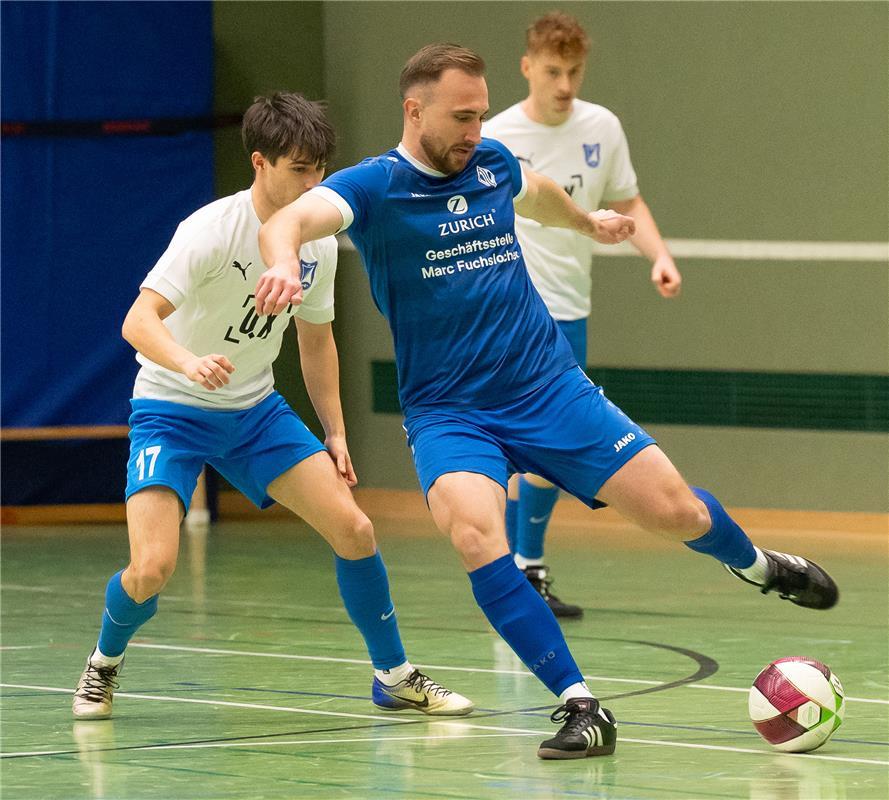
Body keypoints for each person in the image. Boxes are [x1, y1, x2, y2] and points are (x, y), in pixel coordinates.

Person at [255, 48, 839, 761]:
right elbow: (287, 222)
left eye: (479, 113)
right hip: (449, 411)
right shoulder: (373, 188)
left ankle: (757, 567)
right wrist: (284, 258)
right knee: (475, 535)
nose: (475, 129)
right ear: (414, 111)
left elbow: (536, 194)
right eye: (460, 116)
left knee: (676, 513)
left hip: (545, 387)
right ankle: (579, 704)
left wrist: (587, 225)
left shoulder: (493, 163)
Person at [72, 92, 473, 722]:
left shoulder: (315, 244)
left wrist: (335, 434)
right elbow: (137, 321)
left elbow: (316, 341)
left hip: (255, 411)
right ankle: (103, 664)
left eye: (321, 170)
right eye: (299, 170)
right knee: (151, 568)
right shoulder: (209, 232)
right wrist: (188, 362)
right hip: (171, 410)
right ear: (260, 163)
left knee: (356, 528)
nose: (314, 184)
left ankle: (393, 675)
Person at [482, 11, 683, 618]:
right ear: (527, 68)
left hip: (571, 307)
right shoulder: (495, 136)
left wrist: (659, 255)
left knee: (539, 448)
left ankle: (520, 568)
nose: (565, 84)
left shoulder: (602, 127)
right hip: (512, 310)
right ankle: (522, 567)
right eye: (552, 71)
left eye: (574, 71)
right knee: (543, 440)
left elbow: (627, 201)